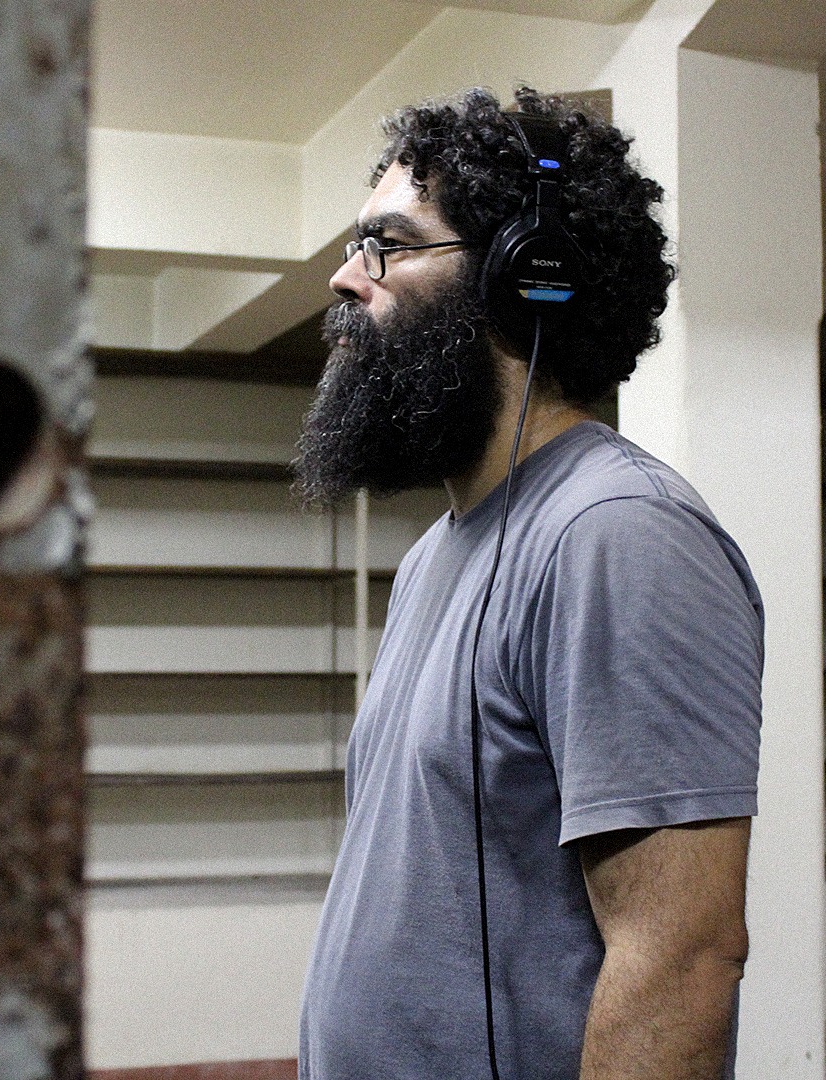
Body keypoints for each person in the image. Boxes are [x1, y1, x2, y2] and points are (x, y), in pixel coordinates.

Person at [292, 86, 762, 1080]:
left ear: (526, 281)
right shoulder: (438, 553)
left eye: (387, 243)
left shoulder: (617, 534)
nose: (344, 278)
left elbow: (679, 959)